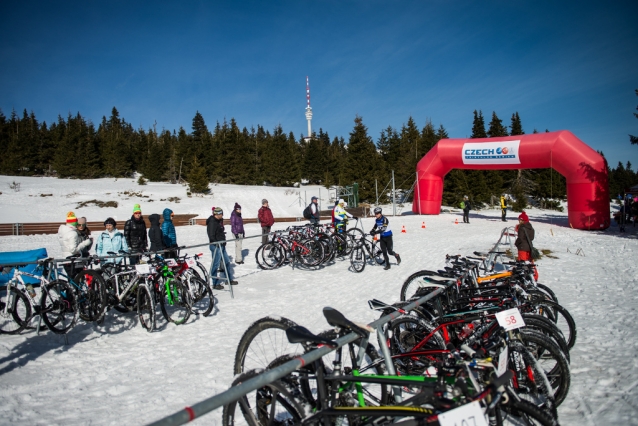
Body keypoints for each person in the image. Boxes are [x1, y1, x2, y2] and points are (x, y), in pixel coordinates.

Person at [207, 207, 237, 289]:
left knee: (227, 261)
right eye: (220, 214)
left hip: (222, 245)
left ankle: (229, 279)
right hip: (216, 246)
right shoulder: (212, 222)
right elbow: (211, 235)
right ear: (216, 214)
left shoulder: (219, 221)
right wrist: (216, 243)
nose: (222, 215)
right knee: (215, 264)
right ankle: (215, 283)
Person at [57, 211, 92, 277]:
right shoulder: (73, 233)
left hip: (66, 259)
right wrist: (85, 243)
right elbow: (73, 250)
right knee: (76, 281)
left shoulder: (63, 232)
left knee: (73, 281)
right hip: (73, 260)